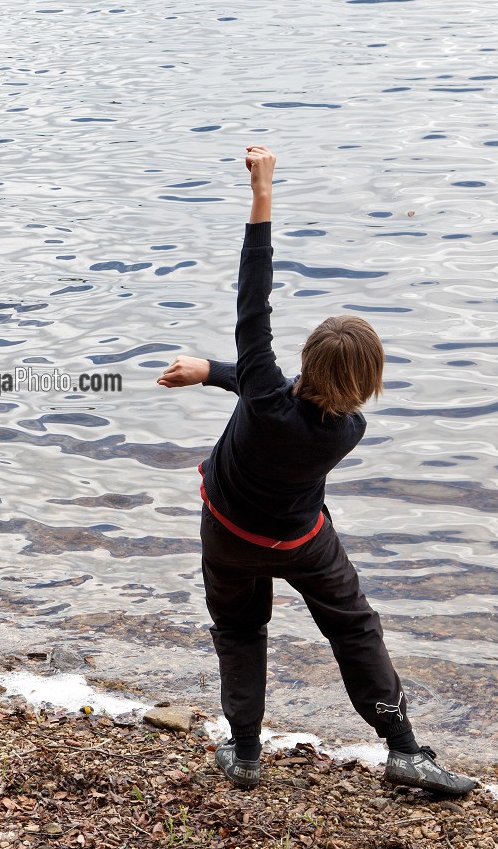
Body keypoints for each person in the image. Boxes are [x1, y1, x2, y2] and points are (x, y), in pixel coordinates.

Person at [157, 147, 476, 796]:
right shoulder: (346, 430)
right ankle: (405, 748)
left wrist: (263, 194)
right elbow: (259, 385)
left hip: (227, 533)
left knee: (241, 630)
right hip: (303, 544)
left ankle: (245, 752)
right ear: (366, 384)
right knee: (353, 624)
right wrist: (214, 373)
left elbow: (254, 299)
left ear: (304, 358)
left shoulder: (268, 394)